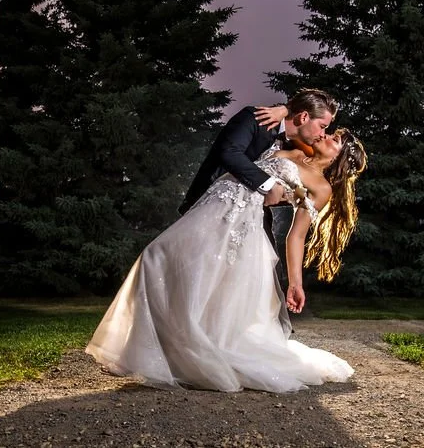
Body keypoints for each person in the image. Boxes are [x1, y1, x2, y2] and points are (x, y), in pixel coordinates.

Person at [85, 123, 368, 393]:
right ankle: (147, 353)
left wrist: (296, 283)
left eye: (335, 139)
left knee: (207, 287)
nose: (326, 135)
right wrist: (282, 111)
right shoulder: (294, 148)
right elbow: (281, 129)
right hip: (215, 203)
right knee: (158, 257)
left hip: (241, 226)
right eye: (329, 132)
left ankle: (184, 356)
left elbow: (296, 236)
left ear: (340, 158)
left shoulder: (321, 187)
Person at [178, 88, 339, 251]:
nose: (323, 134)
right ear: (304, 117)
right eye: (322, 126)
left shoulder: (291, 147)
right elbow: (229, 152)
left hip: (249, 224)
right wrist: (269, 185)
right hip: (211, 208)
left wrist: (293, 195)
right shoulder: (254, 117)